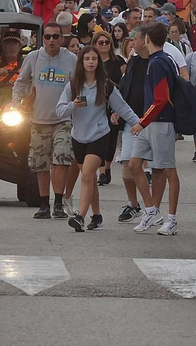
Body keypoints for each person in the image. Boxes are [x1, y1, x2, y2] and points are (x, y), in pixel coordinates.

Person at [58, 45, 140, 233]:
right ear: (81, 61)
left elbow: (123, 108)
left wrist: (140, 124)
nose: (91, 62)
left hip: (100, 135)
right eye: (87, 59)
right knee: (90, 179)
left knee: (86, 175)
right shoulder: (72, 84)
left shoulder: (106, 85)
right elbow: (60, 110)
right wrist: (73, 106)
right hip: (78, 136)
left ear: (98, 62)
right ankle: (97, 215)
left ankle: (80, 217)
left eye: (94, 59)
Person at [13, 23, 79, 220]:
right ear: (43, 39)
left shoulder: (71, 59)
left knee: (62, 158)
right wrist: (17, 104)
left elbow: (79, 86)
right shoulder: (33, 57)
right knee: (41, 164)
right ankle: (44, 205)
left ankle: (58, 202)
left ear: (62, 38)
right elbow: (21, 82)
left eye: (55, 37)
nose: (51, 40)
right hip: (38, 120)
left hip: (63, 119)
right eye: (48, 37)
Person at [128, 22, 183, 236]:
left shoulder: (159, 62)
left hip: (160, 122)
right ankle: (151, 209)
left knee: (168, 170)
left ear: (148, 39)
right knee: (135, 164)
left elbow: (160, 99)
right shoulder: (154, 61)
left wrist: (143, 121)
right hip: (150, 122)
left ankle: (172, 218)